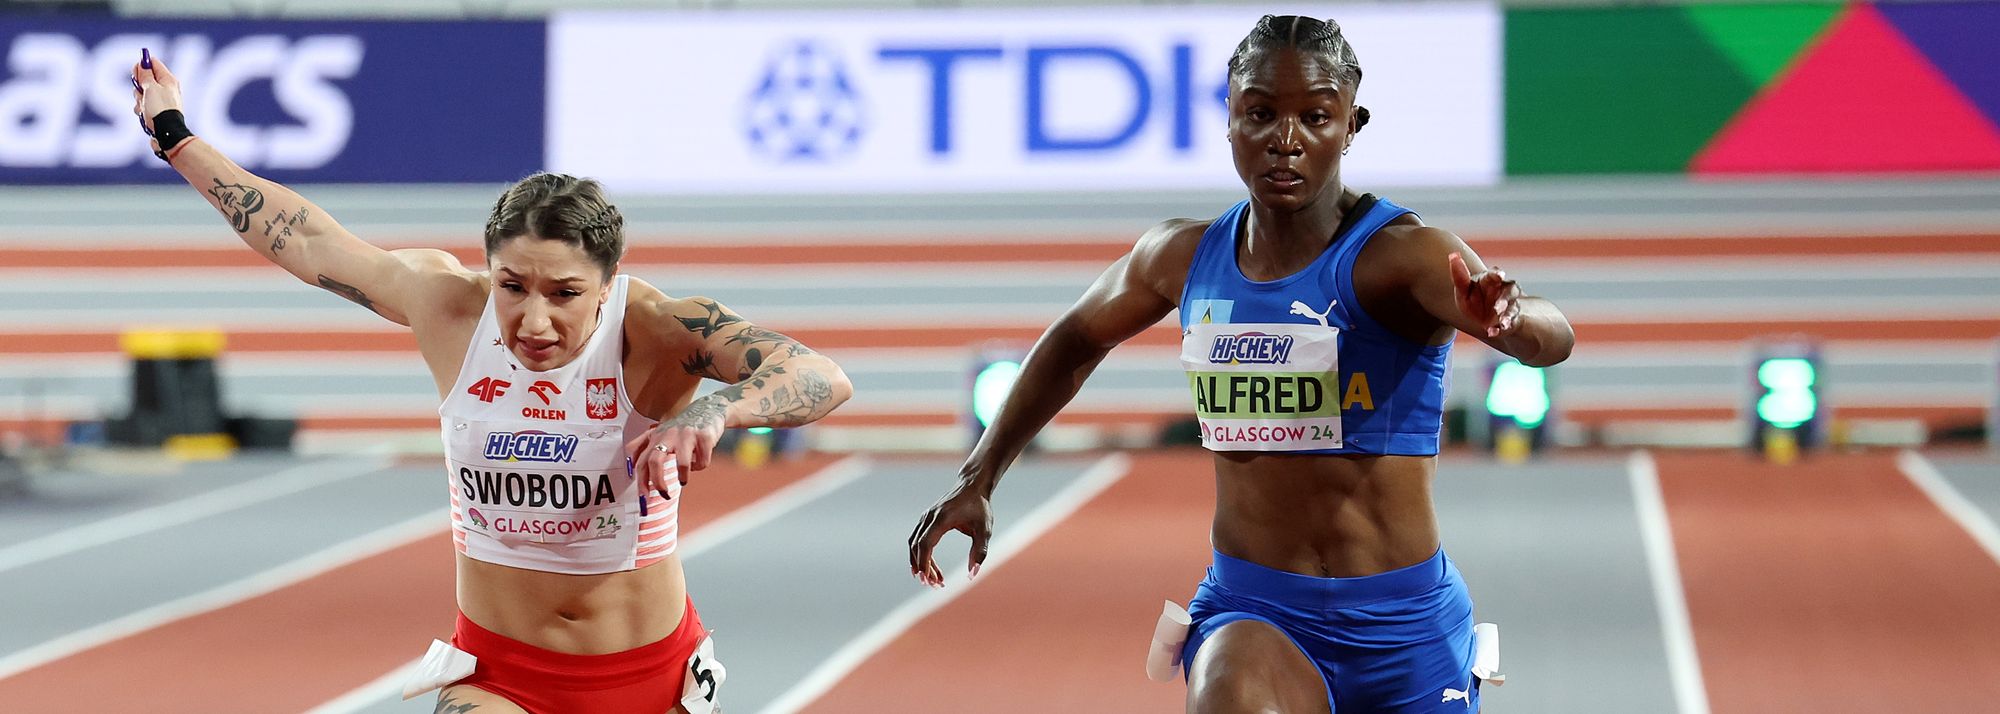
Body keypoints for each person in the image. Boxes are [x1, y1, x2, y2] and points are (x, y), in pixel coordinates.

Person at [129, 49, 853, 714]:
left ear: (606, 289)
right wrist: (174, 134)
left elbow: (820, 375)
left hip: (649, 676)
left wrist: (716, 412)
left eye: (565, 294)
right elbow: (307, 236)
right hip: (498, 674)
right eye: (514, 286)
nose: (534, 320)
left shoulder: (658, 330)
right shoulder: (446, 306)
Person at [907, 15, 1573, 713]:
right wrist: (978, 477)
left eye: (1315, 117)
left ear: (1351, 126)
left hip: (1401, 625)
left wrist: (1513, 318)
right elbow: (1075, 337)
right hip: (1256, 610)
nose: (1285, 141)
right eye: (1260, 114)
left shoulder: (1399, 256)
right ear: (1228, 119)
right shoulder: (1181, 257)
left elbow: (1551, 339)